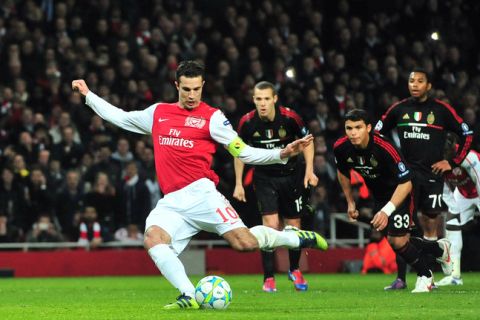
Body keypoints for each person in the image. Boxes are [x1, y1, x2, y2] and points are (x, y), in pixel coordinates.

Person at [71, 60, 328, 310]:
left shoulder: (213, 118)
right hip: (172, 201)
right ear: (177, 86)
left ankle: (292, 238)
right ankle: (189, 294)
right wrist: (88, 94)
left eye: (196, 89)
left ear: (203, 85)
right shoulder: (159, 113)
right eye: (186, 89)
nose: (192, 95)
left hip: (203, 195)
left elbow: (244, 152)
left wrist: (281, 153)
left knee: (244, 243)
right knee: (153, 238)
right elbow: (120, 117)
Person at [334, 109, 451, 293]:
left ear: (369, 128)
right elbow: (342, 172)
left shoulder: (384, 147)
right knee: (398, 240)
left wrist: (386, 211)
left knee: (396, 240)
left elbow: (405, 182)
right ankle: (439, 249)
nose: (353, 133)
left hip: (402, 191)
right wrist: (350, 201)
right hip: (380, 195)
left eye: (358, 127)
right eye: (349, 128)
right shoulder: (341, 147)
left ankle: (426, 276)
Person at [375, 68, 472, 290]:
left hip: (432, 176)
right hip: (406, 178)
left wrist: (453, 162)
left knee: (430, 225)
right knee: (402, 226)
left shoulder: (441, 110)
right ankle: (402, 278)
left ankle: (429, 278)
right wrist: (391, 160)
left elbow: (467, 133)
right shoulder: (399, 109)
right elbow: (377, 135)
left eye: (420, 81)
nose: (415, 84)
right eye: (411, 81)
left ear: (428, 86)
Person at [233, 81, 320, 292]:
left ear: (274, 99)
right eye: (258, 99)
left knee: (293, 226)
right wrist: (238, 183)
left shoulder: (290, 118)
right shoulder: (247, 122)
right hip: (264, 177)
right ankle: (269, 277)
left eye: (266, 99)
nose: (262, 104)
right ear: (253, 100)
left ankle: (294, 269)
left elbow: (307, 141)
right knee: (270, 226)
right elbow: (238, 151)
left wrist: (309, 170)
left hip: (292, 176)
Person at [437, 136, 480, 286]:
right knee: (451, 225)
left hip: (479, 191)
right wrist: (453, 207)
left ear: (454, 146)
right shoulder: (439, 160)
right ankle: (455, 276)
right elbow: (443, 189)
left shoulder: (470, 156)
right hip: (463, 194)